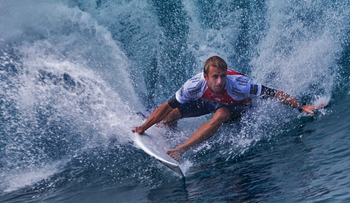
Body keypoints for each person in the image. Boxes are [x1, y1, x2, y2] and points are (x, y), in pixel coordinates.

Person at [133, 55, 323, 161]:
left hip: (237, 108)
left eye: (222, 76)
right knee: (172, 113)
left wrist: (300, 106)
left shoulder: (239, 85)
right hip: (211, 102)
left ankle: (181, 149)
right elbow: (168, 105)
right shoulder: (194, 84)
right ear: (205, 77)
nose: (220, 81)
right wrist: (143, 127)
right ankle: (165, 130)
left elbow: (273, 93)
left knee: (221, 113)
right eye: (215, 77)